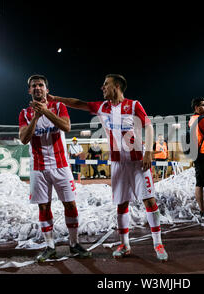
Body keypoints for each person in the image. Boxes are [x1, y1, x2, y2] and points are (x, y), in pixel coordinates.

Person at [45, 74, 168, 261]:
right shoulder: (102, 107)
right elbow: (78, 103)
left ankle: (158, 244)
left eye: (106, 84)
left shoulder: (134, 105)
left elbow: (149, 127)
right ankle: (124, 244)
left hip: (137, 163)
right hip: (118, 163)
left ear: (116, 86)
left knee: (149, 201)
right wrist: (56, 99)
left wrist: (149, 152)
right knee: (122, 204)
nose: (102, 87)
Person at [18, 74, 91, 262]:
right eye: (33, 86)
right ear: (29, 90)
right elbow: (24, 138)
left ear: (46, 89)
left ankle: (74, 244)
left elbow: (66, 127)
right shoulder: (24, 113)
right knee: (44, 206)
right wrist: (36, 116)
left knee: (70, 204)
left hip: (61, 165)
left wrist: (46, 111)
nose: (37, 88)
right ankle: (50, 246)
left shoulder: (59, 107)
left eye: (40, 85)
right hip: (38, 168)